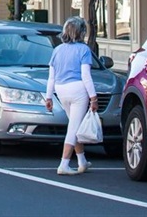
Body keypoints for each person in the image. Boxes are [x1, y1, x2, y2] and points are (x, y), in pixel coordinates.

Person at [44, 17, 98, 176]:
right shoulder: (84, 50)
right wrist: (93, 98)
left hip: (61, 90)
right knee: (74, 128)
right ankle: (64, 164)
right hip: (78, 90)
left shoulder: (57, 50)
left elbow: (51, 77)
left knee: (75, 125)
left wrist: (48, 97)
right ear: (81, 33)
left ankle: (81, 161)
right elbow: (86, 76)